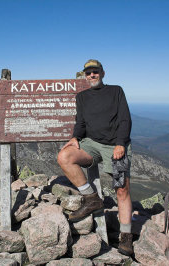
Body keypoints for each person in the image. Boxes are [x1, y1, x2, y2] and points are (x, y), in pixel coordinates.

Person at [57, 59, 133, 255]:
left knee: (122, 190)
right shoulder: (82, 97)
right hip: (91, 143)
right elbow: (80, 122)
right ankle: (91, 198)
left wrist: (120, 143)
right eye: (88, 72)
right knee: (64, 157)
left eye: (95, 72)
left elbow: (125, 118)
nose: (92, 75)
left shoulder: (116, 91)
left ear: (102, 73)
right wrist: (75, 137)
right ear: (85, 75)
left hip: (114, 145)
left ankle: (126, 236)